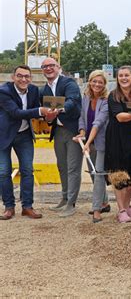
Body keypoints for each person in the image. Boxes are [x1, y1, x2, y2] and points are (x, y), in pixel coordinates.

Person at [0, 65, 50, 220]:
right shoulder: (3, 91)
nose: (23, 79)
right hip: (4, 135)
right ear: (13, 77)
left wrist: (48, 115)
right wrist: (40, 111)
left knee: (28, 170)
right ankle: (9, 207)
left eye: (27, 76)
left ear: (31, 78)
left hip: (24, 135)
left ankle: (27, 207)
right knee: (3, 172)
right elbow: (16, 113)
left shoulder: (34, 90)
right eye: (20, 76)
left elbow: (36, 111)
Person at [41, 57, 82, 217]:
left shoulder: (68, 83)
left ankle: (71, 203)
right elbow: (46, 111)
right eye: (45, 66)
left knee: (73, 168)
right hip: (58, 131)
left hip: (72, 130)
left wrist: (59, 110)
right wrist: (48, 118)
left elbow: (72, 101)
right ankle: (65, 198)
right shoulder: (45, 88)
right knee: (62, 167)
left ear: (59, 67)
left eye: (51, 65)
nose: (48, 68)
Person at [104, 66, 131, 223]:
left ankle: (128, 206)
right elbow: (120, 117)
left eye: (126, 75)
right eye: (120, 75)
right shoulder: (113, 95)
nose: (124, 78)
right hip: (117, 139)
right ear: (117, 78)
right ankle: (121, 209)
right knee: (120, 175)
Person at [74, 70, 110, 223]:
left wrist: (88, 142)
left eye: (100, 82)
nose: (97, 84)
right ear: (89, 81)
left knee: (99, 173)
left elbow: (99, 122)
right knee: (93, 173)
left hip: (101, 142)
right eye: (94, 81)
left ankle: (96, 210)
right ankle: (105, 202)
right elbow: (82, 117)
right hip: (88, 140)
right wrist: (82, 132)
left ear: (104, 84)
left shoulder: (107, 101)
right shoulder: (86, 97)